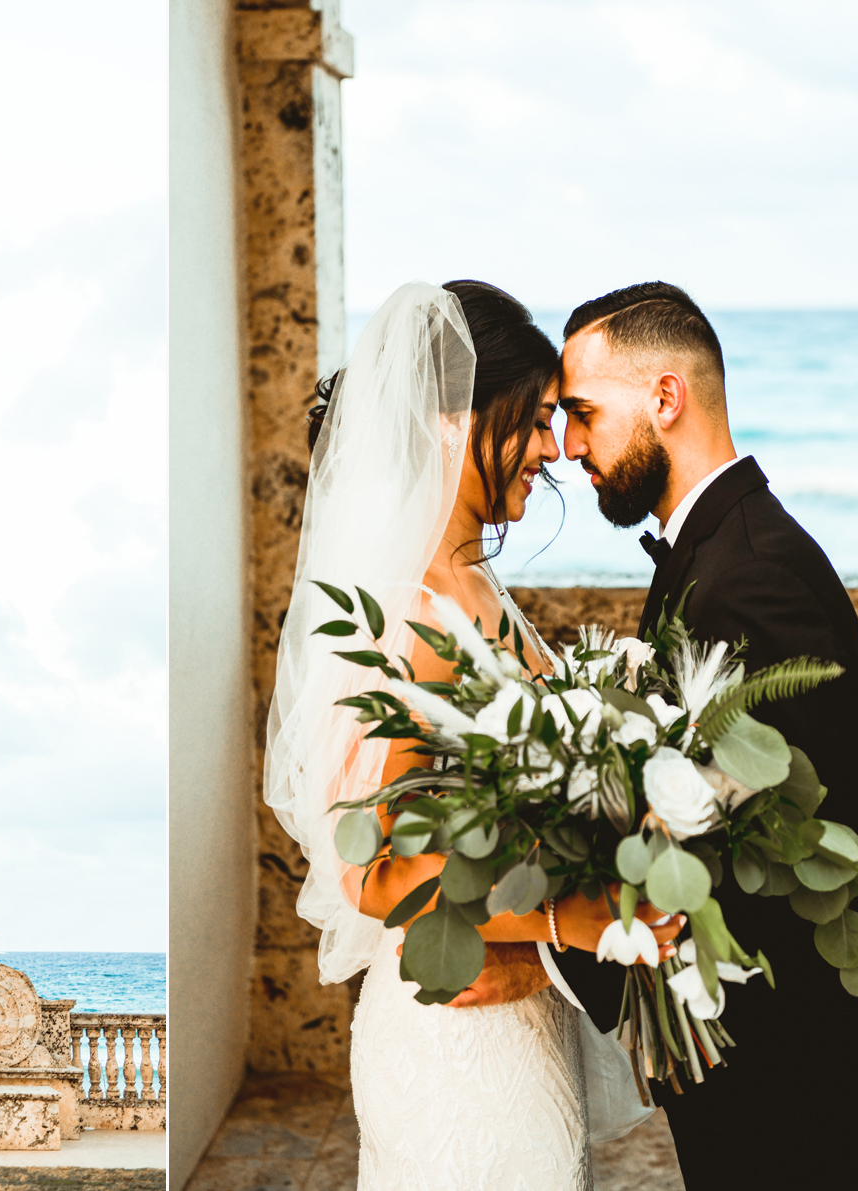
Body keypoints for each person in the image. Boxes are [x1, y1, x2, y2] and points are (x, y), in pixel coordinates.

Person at [265, 281, 679, 1191]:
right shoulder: (399, 616)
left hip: (526, 1025)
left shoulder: (480, 589)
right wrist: (579, 919)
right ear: (454, 422)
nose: (550, 450)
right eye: (532, 421)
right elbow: (372, 867)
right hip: (454, 1043)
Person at [547, 281, 858, 1191]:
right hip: (754, 1064)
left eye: (582, 411)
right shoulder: (716, 551)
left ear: (664, 398)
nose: (571, 446)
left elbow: (760, 852)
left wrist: (579, 913)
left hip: (787, 1074)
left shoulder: (753, 575)